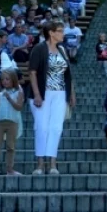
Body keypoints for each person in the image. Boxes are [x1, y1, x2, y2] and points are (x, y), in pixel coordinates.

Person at [28, 21, 75, 175]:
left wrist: (71, 94)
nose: (63, 34)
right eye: (60, 31)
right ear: (51, 33)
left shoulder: (62, 49)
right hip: (43, 92)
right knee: (42, 128)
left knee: (56, 128)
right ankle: (40, 165)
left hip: (60, 93)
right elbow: (33, 72)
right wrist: (36, 94)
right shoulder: (39, 48)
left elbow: (68, 74)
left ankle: (53, 164)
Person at [0, 69, 24, 176]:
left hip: (12, 122)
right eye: (3, 79)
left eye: (7, 79)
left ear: (13, 79)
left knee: (11, 146)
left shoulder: (19, 92)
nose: (4, 81)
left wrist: (9, 98)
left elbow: (19, 107)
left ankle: (10, 169)